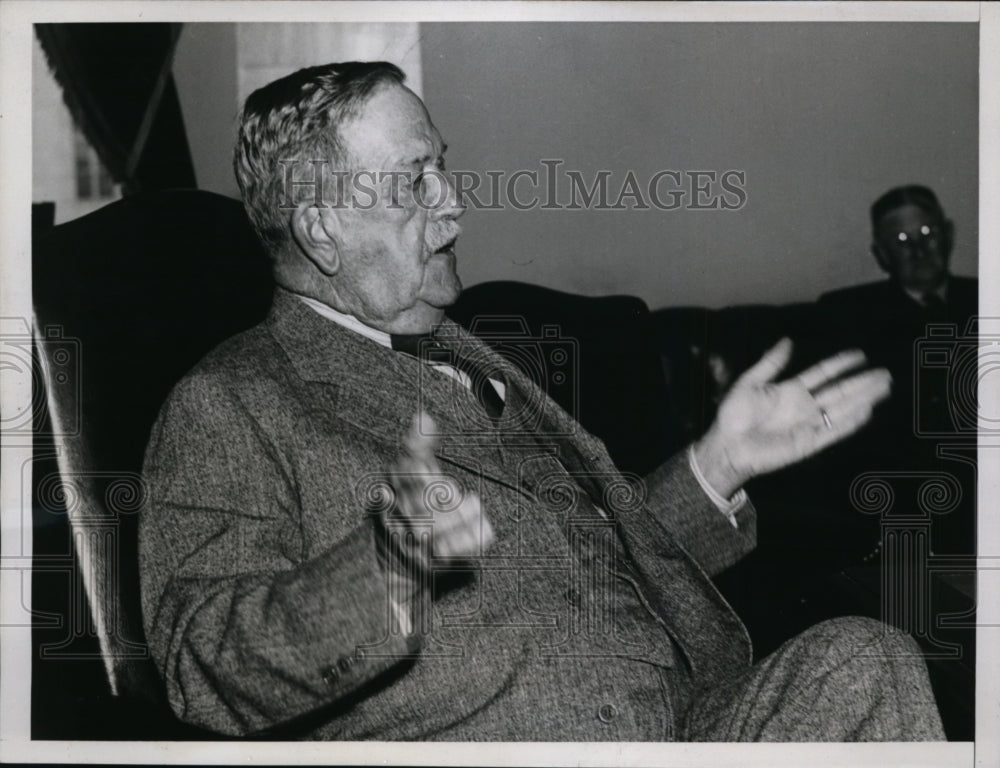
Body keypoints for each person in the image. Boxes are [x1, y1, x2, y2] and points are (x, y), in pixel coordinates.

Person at [138, 62, 943, 741]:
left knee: (863, 660)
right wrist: (388, 570)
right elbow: (201, 660)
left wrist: (716, 463)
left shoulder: (474, 359)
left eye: (441, 169)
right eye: (414, 182)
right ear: (322, 229)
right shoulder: (233, 400)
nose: (453, 204)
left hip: (678, 725)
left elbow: (595, 567)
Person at [815, 185, 978, 554]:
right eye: (902, 240)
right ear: (882, 254)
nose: (919, 249)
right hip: (904, 483)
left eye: (927, 234)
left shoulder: (988, 300)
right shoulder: (846, 314)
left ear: (948, 235)